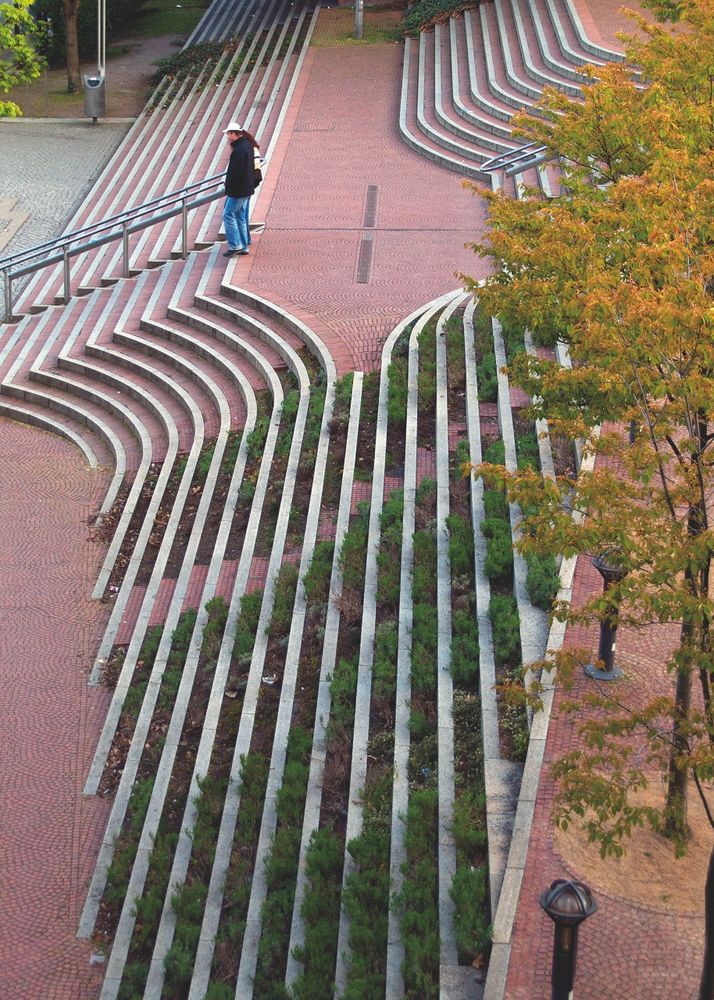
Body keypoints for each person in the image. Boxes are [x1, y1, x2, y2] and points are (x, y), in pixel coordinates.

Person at [221, 122, 258, 258]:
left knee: (228, 215)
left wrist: (229, 188)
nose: (227, 136)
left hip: (238, 190)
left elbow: (235, 173)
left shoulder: (239, 150)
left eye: (228, 134)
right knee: (240, 217)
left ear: (232, 133)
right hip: (247, 188)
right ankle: (243, 246)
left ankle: (235, 245)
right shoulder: (247, 146)